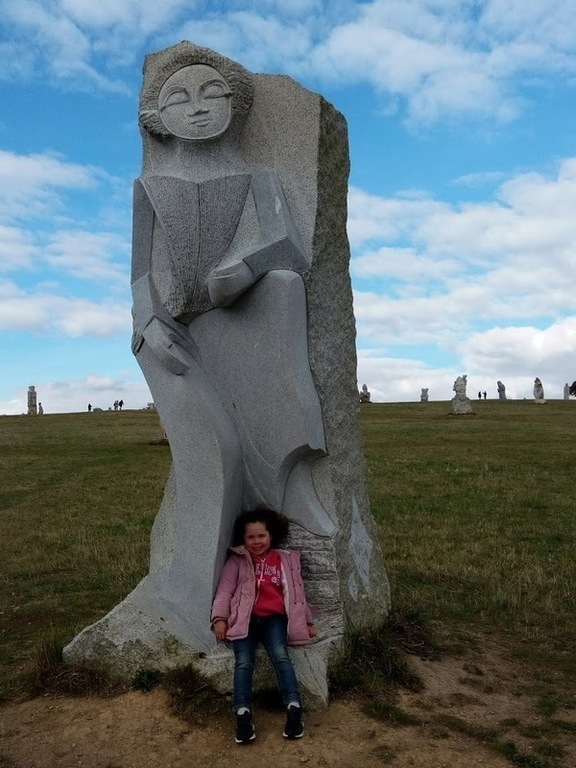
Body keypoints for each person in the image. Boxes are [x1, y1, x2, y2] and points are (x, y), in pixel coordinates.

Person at [211, 508, 316, 744]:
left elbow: (298, 593)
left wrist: (306, 621)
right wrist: (220, 618)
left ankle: (293, 706)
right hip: (244, 619)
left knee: (280, 655)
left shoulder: (283, 560)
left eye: (261, 536)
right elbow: (225, 590)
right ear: (243, 538)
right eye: (251, 537)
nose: (256, 542)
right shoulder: (237, 560)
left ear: (271, 536)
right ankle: (243, 713)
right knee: (244, 661)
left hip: (274, 619)